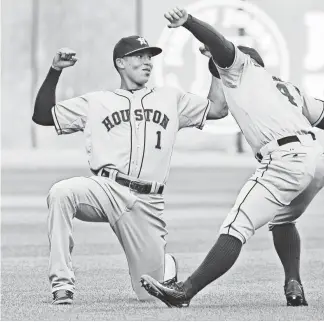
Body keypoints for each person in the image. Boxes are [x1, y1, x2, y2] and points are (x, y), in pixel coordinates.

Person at [140, 7, 324, 308]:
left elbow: (222, 48)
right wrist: (301, 109)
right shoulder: (287, 88)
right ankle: (293, 284)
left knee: (236, 226)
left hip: (285, 158)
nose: (219, 70)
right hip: (317, 161)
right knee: (283, 221)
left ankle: (185, 292)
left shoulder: (242, 69)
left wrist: (189, 24)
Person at [32, 35, 227, 305]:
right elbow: (43, 115)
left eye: (150, 57)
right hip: (106, 189)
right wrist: (55, 71)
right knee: (62, 192)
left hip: (148, 203)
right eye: (140, 56)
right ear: (120, 63)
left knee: (149, 296)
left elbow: (218, 108)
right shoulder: (97, 101)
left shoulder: (171, 97)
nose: (147, 62)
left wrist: (216, 66)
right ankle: (62, 284)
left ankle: (164, 264)